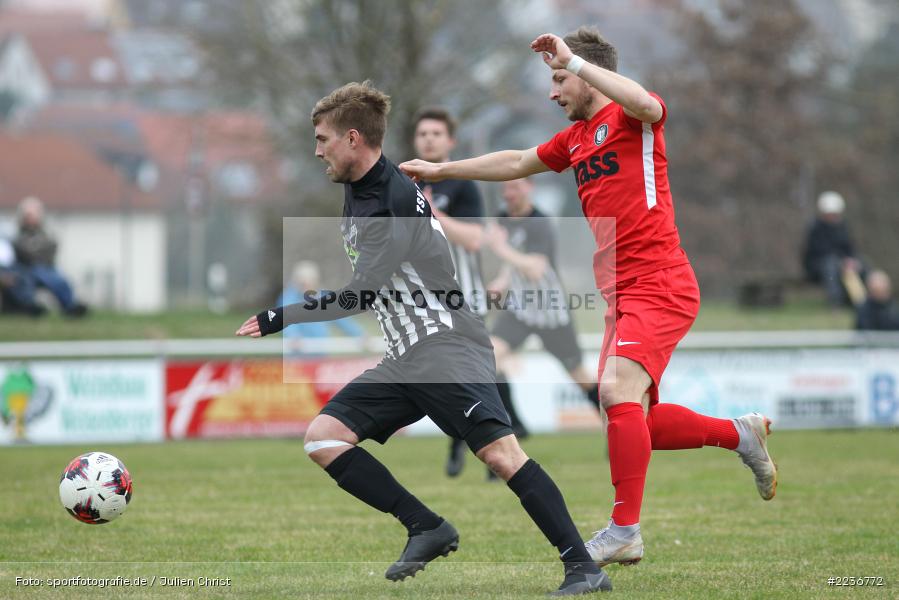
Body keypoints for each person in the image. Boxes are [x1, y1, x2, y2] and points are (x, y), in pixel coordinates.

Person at [400, 28, 778, 569]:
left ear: (584, 74)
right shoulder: (576, 140)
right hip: (619, 293)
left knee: (614, 391)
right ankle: (739, 434)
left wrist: (573, 60)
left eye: (559, 81)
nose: (554, 93)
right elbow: (516, 161)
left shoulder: (631, 118)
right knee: (631, 418)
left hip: (660, 280)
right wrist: (440, 170)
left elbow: (646, 101)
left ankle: (625, 530)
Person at [236, 81, 611, 595]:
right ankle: (427, 526)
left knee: (503, 456)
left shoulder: (386, 203)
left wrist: (283, 316)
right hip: (406, 355)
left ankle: (583, 567)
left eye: (322, 138)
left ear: (352, 139)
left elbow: (358, 298)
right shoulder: (362, 183)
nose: (316, 149)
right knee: (324, 438)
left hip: (444, 348)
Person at [410, 107, 527, 477]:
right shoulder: (403, 183)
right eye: (422, 133)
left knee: (475, 370)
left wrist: (435, 216)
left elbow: (476, 239)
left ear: (450, 142)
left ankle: (491, 443)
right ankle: (479, 440)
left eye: (435, 133)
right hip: (423, 296)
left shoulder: (462, 184)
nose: (428, 139)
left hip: (465, 294)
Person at [481, 177, 603, 479]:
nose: (509, 193)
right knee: (488, 359)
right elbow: (514, 261)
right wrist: (502, 281)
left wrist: (500, 249)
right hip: (520, 310)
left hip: (551, 313)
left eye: (516, 187)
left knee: (581, 379)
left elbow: (535, 269)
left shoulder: (541, 223)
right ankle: (513, 428)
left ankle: (617, 429)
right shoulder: (503, 218)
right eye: (505, 188)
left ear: (529, 188)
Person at [13, 197, 87, 317]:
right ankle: (30, 306)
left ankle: (70, 306)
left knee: (61, 280)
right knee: (28, 279)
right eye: (29, 216)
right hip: (27, 270)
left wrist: (35, 252)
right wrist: (37, 253)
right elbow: (24, 253)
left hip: (47, 268)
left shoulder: (46, 235)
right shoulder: (18, 237)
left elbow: (51, 248)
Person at [279, 260, 364, 355]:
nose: (307, 285)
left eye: (311, 281)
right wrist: (293, 336)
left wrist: (359, 335)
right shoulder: (289, 298)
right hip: (297, 356)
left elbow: (342, 318)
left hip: (320, 354)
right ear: (297, 282)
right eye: (303, 282)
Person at [802, 191, 865, 307]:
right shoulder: (816, 227)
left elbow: (849, 246)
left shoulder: (842, 227)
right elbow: (819, 250)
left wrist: (852, 259)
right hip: (818, 265)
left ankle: (862, 302)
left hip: (841, 262)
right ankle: (835, 303)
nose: (833, 216)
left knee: (863, 265)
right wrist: (841, 262)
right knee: (830, 267)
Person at [0, 237, 44, 316]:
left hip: (10, 266)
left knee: (24, 276)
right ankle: (24, 306)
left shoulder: (4, 238)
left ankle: (27, 304)